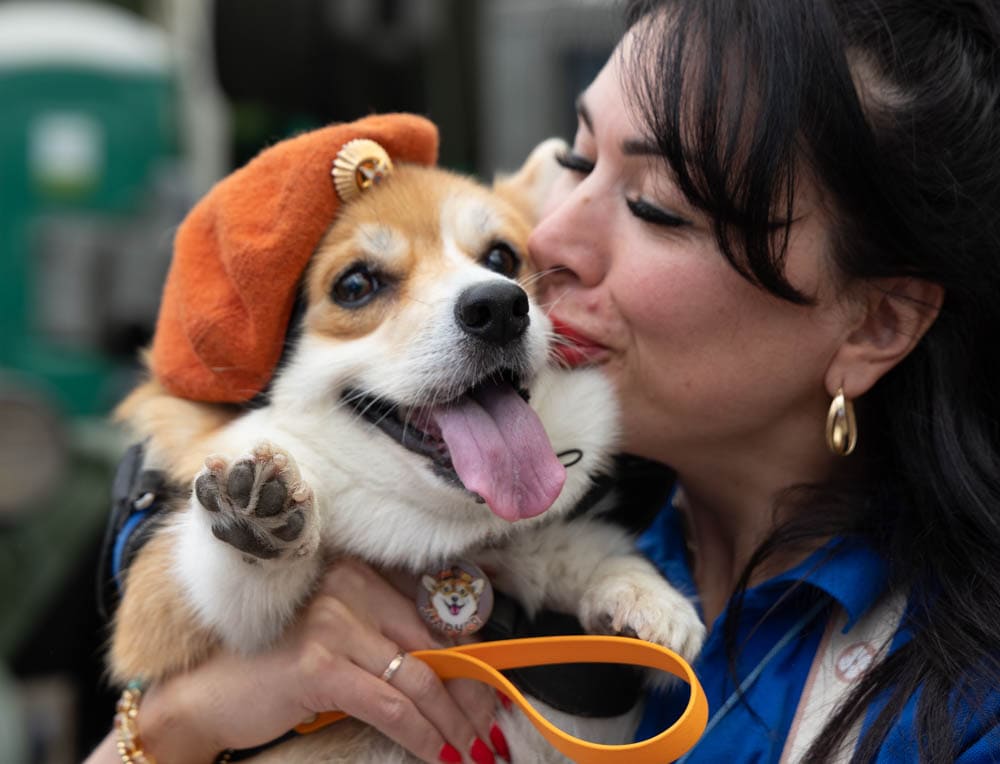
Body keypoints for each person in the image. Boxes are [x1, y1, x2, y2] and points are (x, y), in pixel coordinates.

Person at [88, 0, 1000, 761]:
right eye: (578, 154)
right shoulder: (586, 499)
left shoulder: (962, 711)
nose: (545, 248)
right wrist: (183, 721)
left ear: (875, 324)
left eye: (656, 208)